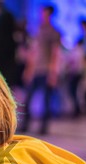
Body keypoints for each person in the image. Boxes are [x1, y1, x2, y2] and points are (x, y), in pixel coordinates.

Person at [20, 5, 61, 135]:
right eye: (42, 13)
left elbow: (55, 53)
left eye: (46, 13)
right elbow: (33, 52)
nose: (43, 16)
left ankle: (44, 127)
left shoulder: (54, 32)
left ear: (50, 15)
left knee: (46, 101)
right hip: (35, 70)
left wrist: (53, 72)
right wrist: (28, 69)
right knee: (28, 98)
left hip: (46, 70)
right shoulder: (37, 31)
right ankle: (25, 124)